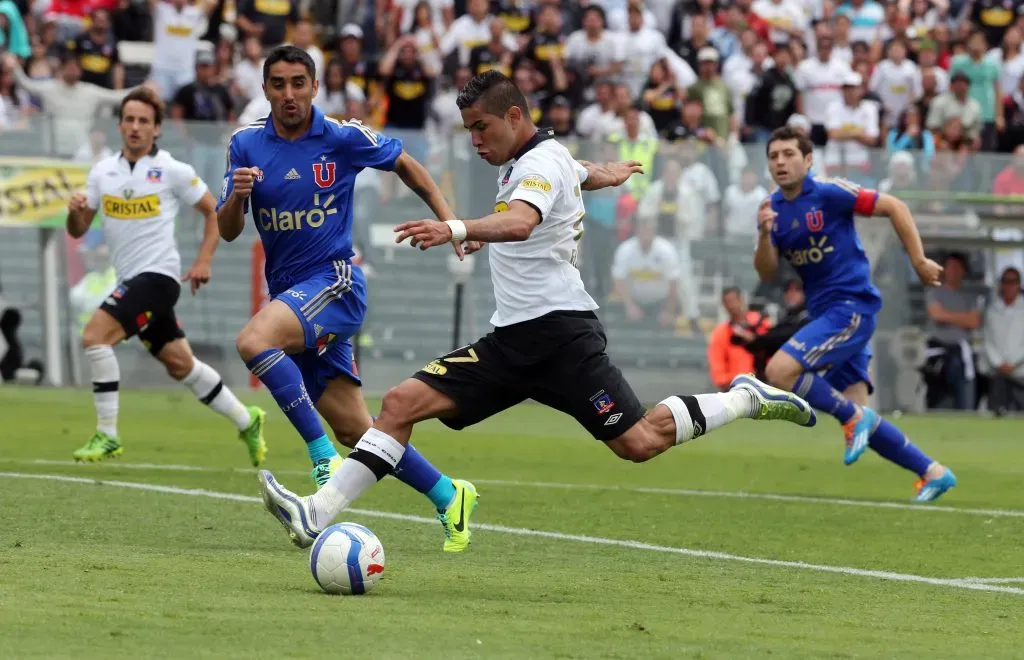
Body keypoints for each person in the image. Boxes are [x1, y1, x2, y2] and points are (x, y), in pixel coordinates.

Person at [256, 70, 817, 549]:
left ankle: (746, 397)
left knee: (639, 443)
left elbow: (522, 219)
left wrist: (457, 226)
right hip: (514, 341)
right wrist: (606, 173)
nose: (475, 140)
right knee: (400, 404)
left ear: (515, 116)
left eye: (482, 127)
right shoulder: (544, 158)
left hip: (561, 338)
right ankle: (317, 514)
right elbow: (576, 173)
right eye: (469, 129)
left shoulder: (536, 165)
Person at [217, 46, 474, 553]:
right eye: (277, 84)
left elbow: (408, 165)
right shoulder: (245, 144)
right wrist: (236, 197)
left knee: (253, 340)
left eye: (297, 83)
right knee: (359, 430)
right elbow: (228, 231)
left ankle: (319, 460)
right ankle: (450, 495)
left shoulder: (342, 136)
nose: (288, 94)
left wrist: (449, 220)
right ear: (265, 90)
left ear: (315, 87)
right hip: (292, 295)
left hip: (335, 282)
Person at [64, 86, 266, 465]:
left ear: (157, 128)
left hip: (159, 278)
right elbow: (77, 229)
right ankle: (247, 419)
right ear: (120, 125)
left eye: (144, 121)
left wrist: (204, 260)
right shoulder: (102, 172)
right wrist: (74, 211)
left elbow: (212, 211)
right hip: (130, 280)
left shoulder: (173, 170)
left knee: (95, 337)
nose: (135, 127)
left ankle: (107, 434)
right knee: (181, 365)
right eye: (129, 120)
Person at [754, 126, 956, 503]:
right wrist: (764, 235)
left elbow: (894, 206)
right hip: (825, 315)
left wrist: (918, 260)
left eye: (788, 154)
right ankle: (933, 472)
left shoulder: (829, 193)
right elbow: (766, 272)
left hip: (852, 307)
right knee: (863, 414)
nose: (780, 162)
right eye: (773, 156)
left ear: (808, 160)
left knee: (779, 372)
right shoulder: (771, 211)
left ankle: (851, 417)